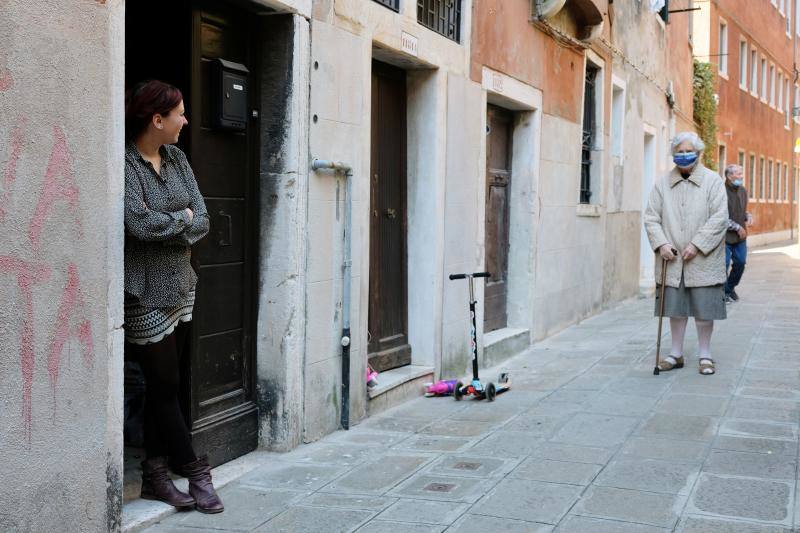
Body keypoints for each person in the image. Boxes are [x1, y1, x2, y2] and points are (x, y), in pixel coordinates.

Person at [124, 80, 223, 513]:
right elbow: (137, 223)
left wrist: (172, 221)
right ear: (157, 119)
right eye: (179, 114)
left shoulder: (177, 158)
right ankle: (196, 471)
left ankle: (155, 475)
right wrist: (180, 219)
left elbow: (203, 219)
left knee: (166, 385)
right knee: (164, 385)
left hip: (182, 285)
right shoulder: (126, 163)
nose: (186, 120)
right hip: (144, 292)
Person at [644, 132, 729, 376]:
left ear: (698, 153)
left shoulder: (712, 181)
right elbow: (651, 218)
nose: (684, 155)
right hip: (672, 260)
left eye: (688, 151)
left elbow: (720, 217)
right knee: (676, 309)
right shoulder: (662, 184)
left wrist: (697, 245)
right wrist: (661, 244)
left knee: (704, 311)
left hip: (703, 258)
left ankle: (705, 354)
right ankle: (675, 354)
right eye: (679, 152)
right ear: (673, 154)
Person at [722, 164, 750, 302]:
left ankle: (728, 289)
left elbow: (742, 210)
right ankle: (724, 292)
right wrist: (737, 227)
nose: (741, 176)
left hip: (740, 237)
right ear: (729, 176)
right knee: (724, 264)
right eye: (738, 174)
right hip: (724, 236)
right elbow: (720, 216)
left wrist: (748, 216)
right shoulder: (721, 191)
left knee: (740, 263)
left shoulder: (743, 190)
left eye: (741, 173)